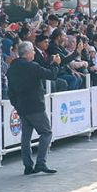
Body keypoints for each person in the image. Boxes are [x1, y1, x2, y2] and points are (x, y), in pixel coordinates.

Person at [6, 40, 60, 174]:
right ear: (28, 53)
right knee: (46, 133)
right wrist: (55, 64)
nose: (35, 53)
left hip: (22, 107)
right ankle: (41, 162)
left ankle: (28, 166)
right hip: (35, 106)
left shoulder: (12, 68)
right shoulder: (31, 66)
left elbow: (10, 90)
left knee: (26, 137)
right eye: (33, 51)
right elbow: (51, 75)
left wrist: (16, 104)